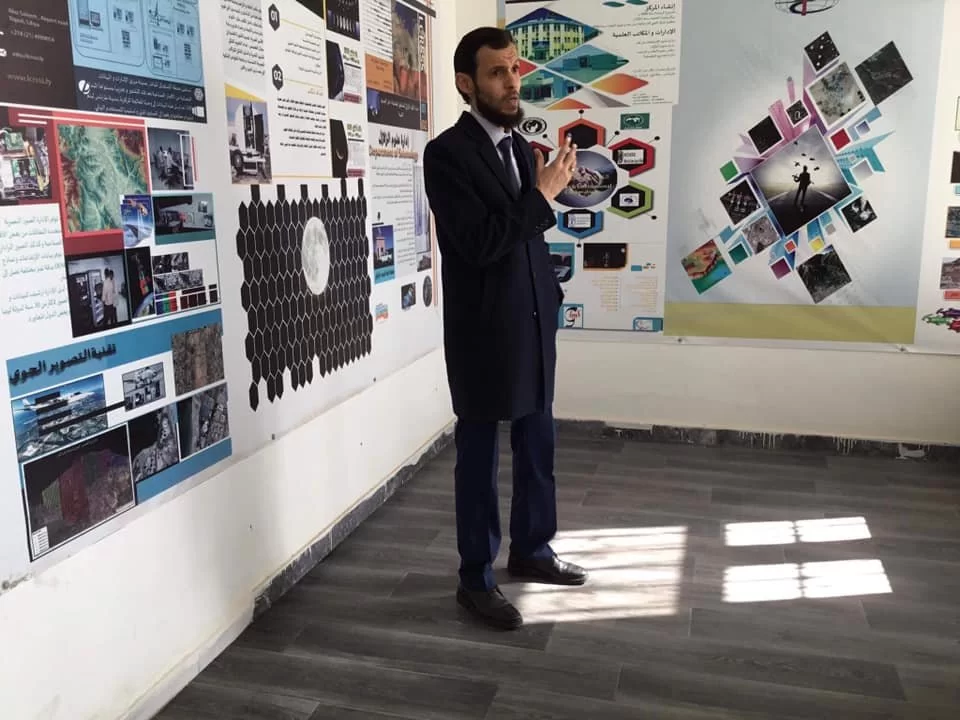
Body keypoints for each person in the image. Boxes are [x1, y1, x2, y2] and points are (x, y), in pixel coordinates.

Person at [422, 26, 587, 631]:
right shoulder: (445, 154)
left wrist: (551, 291)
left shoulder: (520, 148)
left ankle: (533, 550)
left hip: (534, 321)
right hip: (482, 332)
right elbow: (478, 243)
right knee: (479, 458)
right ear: (466, 83)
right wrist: (542, 196)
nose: (513, 81)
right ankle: (476, 578)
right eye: (498, 72)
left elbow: (526, 237)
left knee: (539, 444)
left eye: (515, 68)